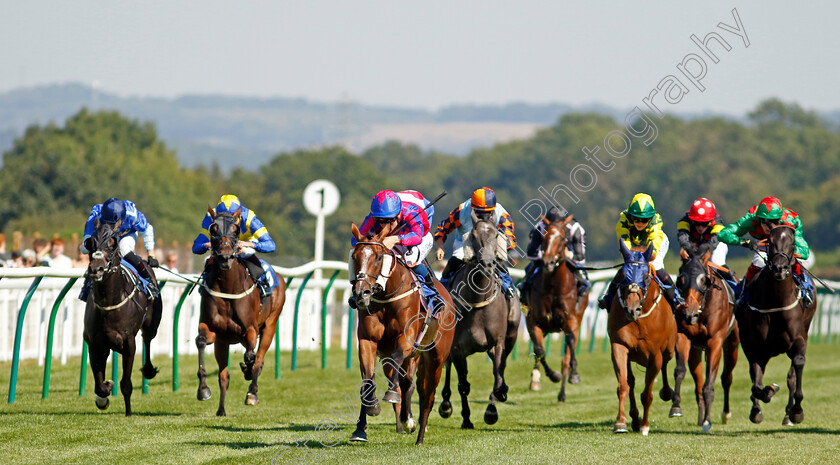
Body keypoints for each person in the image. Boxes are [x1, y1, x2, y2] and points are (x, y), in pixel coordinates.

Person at [349, 190, 444, 313]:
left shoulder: (412, 213)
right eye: (380, 221)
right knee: (358, 253)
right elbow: (355, 241)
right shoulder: (374, 217)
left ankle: (433, 294)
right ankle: (357, 289)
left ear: (398, 214)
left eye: (389, 221)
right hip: (400, 223)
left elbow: (417, 237)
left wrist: (396, 238)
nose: (383, 226)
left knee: (410, 260)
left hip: (420, 234)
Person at [717, 196, 814, 308]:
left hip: (784, 245)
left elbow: (805, 252)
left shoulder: (791, 221)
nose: (769, 226)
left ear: (780, 219)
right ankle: (743, 292)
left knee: (792, 261)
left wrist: (785, 249)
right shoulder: (751, 219)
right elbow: (723, 234)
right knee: (758, 260)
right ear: (758, 219)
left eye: (774, 221)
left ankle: (805, 288)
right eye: (764, 221)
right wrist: (745, 242)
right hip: (764, 243)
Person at [598, 193, 686, 313]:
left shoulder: (656, 221)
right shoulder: (624, 218)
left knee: (654, 265)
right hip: (634, 243)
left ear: (650, 218)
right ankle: (609, 296)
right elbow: (624, 242)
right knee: (629, 266)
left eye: (644, 220)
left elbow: (653, 247)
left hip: (655, 243)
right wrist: (631, 255)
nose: (639, 223)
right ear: (630, 216)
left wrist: (645, 254)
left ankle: (676, 297)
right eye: (635, 219)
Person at [434, 187, 517, 299]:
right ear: (472, 208)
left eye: (488, 213)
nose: (483, 217)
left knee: (500, 265)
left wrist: (496, 249)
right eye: (478, 213)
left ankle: (509, 289)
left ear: (494, 209)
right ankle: (442, 291)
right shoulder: (462, 211)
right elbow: (442, 228)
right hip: (465, 241)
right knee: (453, 263)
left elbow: (510, 238)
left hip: (490, 242)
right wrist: (440, 247)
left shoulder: (501, 214)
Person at [192, 194, 275, 301]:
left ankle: (263, 290)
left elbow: (271, 245)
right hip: (222, 251)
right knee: (207, 261)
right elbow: (196, 247)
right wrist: (208, 245)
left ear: (239, 215)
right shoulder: (211, 216)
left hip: (244, 249)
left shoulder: (249, 218)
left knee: (248, 253)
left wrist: (247, 244)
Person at [79, 198, 159, 301]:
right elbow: (85, 247)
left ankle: (149, 282)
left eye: (113, 224)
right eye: (107, 223)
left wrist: (151, 254)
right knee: (93, 250)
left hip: (127, 234)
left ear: (122, 219)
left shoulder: (133, 215)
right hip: (104, 236)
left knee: (124, 249)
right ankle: (87, 284)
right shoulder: (95, 216)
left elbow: (147, 230)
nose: (111, 227)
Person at [519, 206, 590, 302]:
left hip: (569, 259)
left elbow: (580, 257)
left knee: (584, 280)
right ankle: (524, 291)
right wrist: (544, 255)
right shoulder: (540, 227)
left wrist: (569, 255)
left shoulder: (576, 228)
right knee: (528, 274)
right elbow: (531, 254)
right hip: (545, 258)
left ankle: (583, 291)